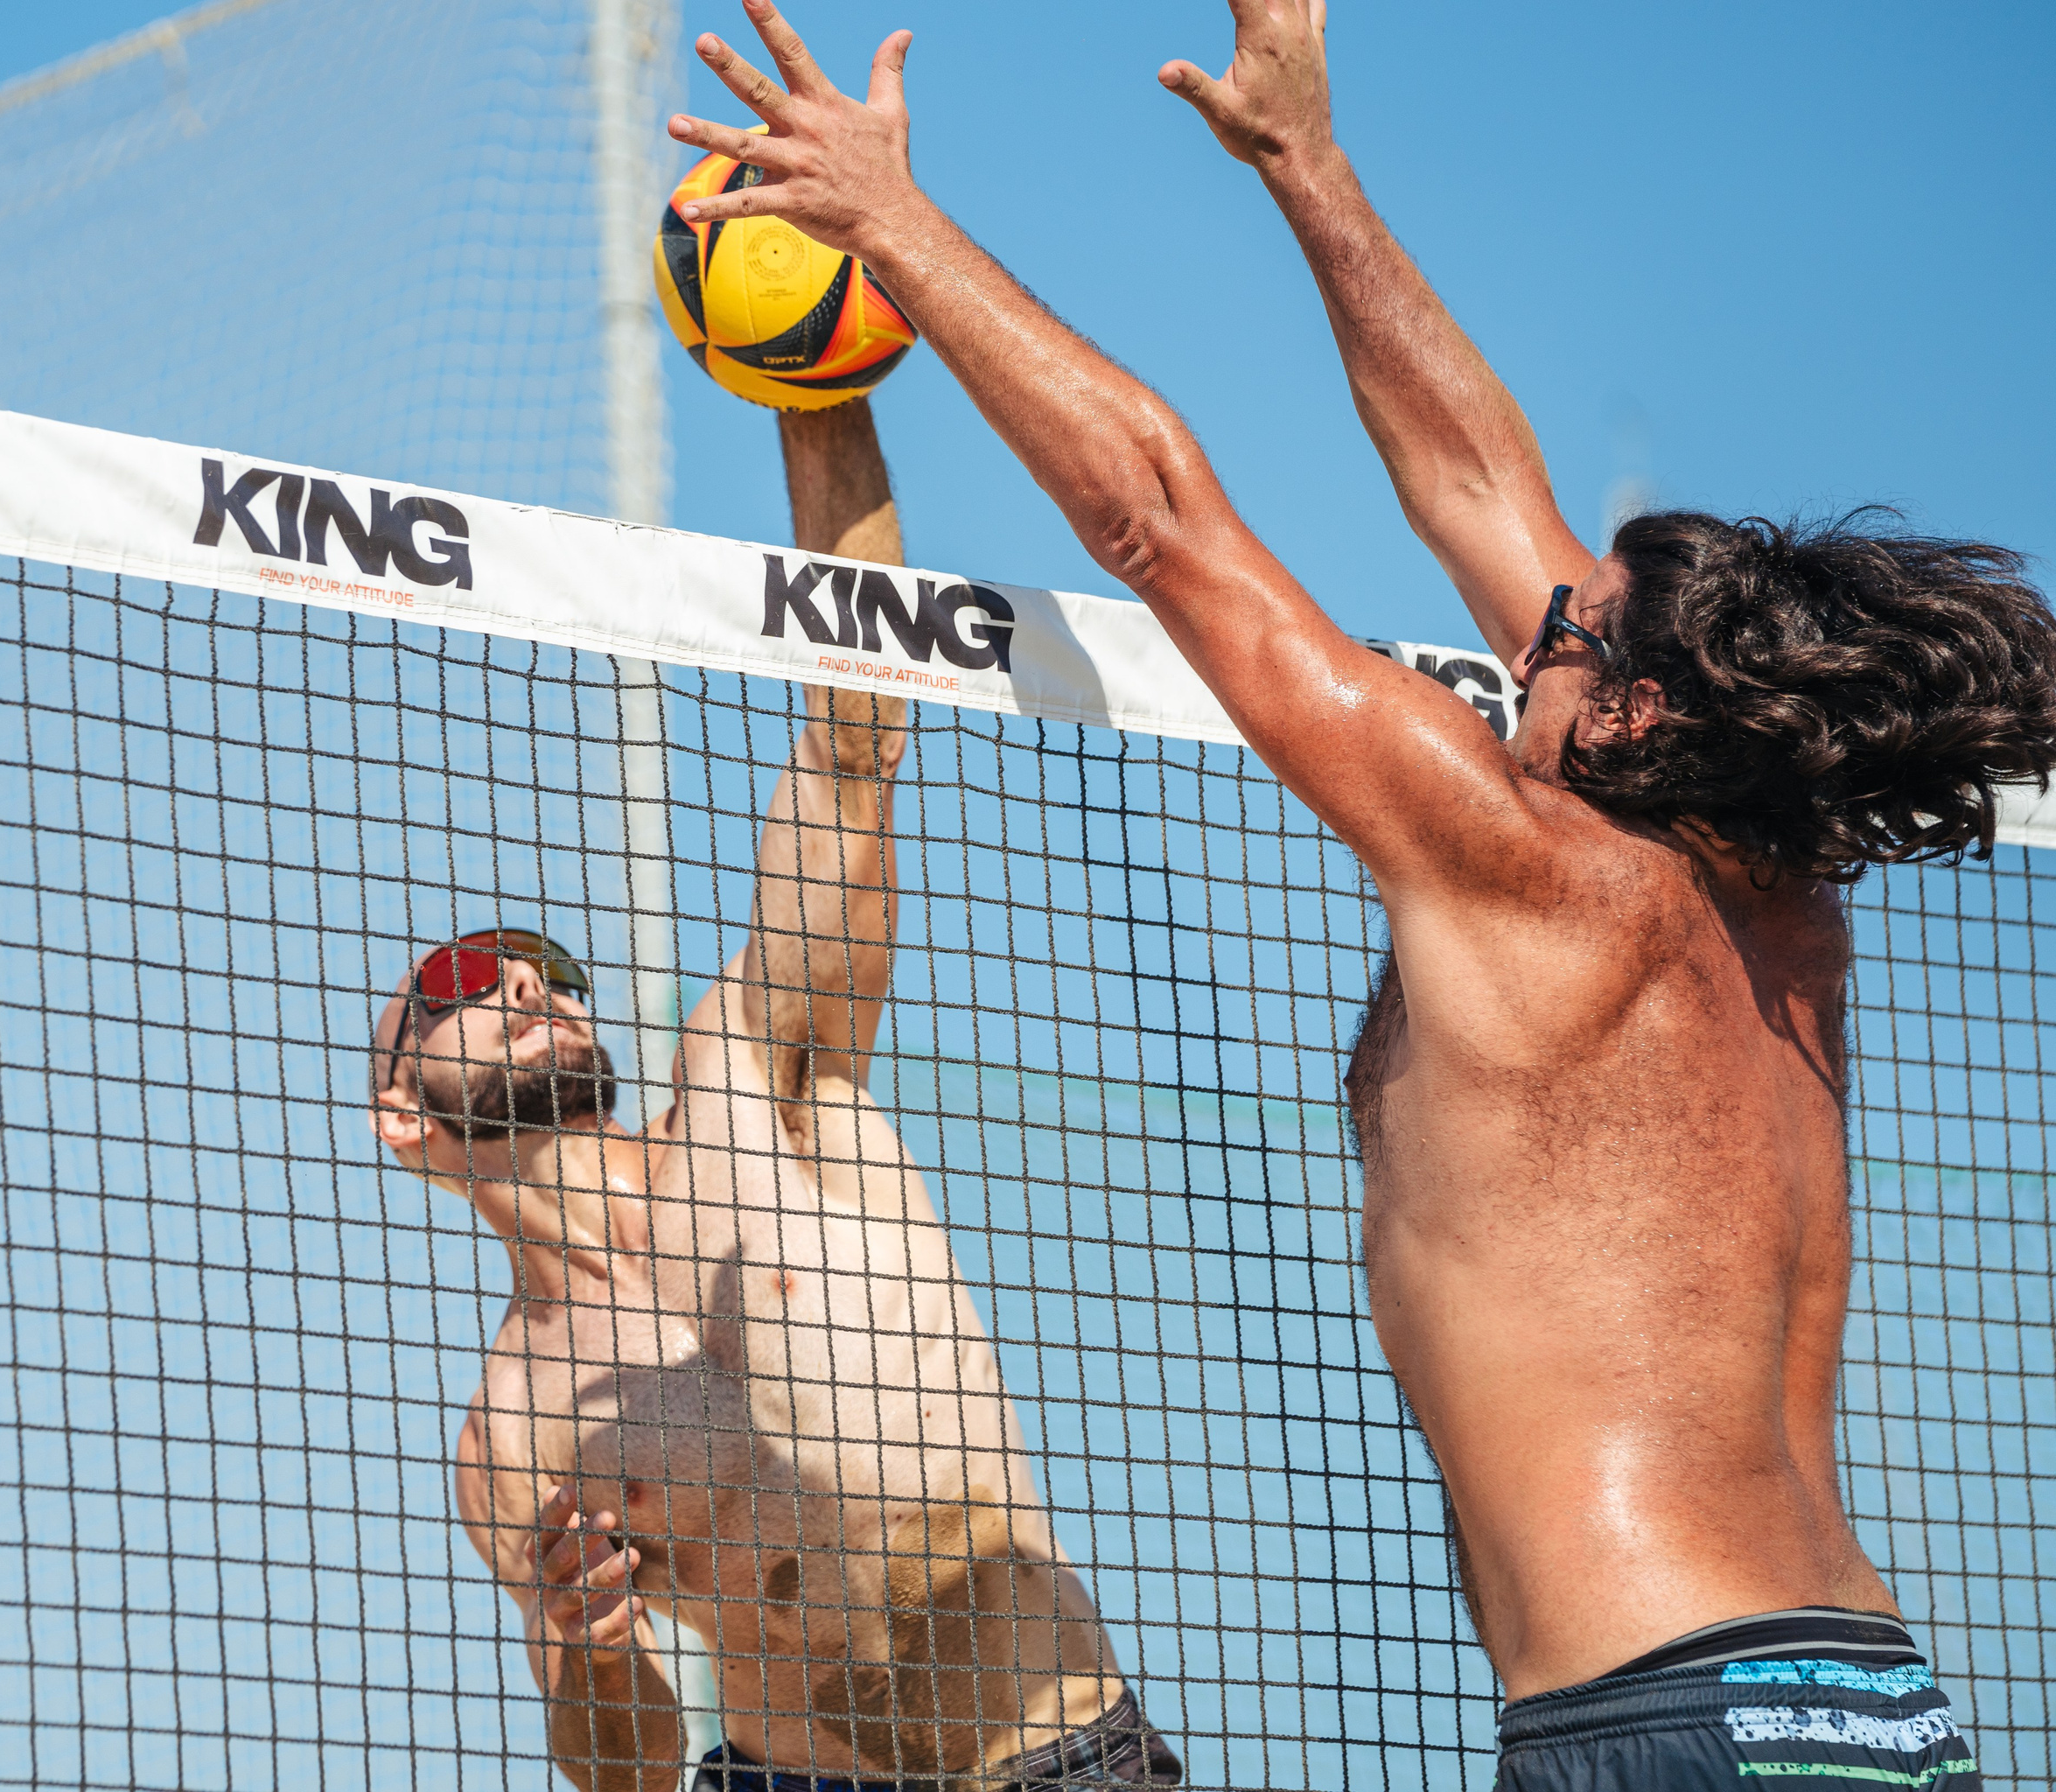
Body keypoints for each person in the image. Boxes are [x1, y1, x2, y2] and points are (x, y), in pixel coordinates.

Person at [663, 6, 2056, 1786]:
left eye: (1563, 633)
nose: (1528, 627)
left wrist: (893, 226)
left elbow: (1158, 520)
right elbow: (1480, 483)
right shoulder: (1781, 892)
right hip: (1877, 1704)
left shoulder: (1533, 872)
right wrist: (1302, 164)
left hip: (1664, 1720)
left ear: (1630, 708)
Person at [369, 399, 1183, 1792]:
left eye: (547, 969)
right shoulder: (511, 1432)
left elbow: (851, 749)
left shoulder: (754, 1073)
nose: (520, 985)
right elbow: (616, 1768)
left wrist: (823, 395)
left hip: (1060, 1758)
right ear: (406, 1120)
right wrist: (589, 1641)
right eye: (457, 980)